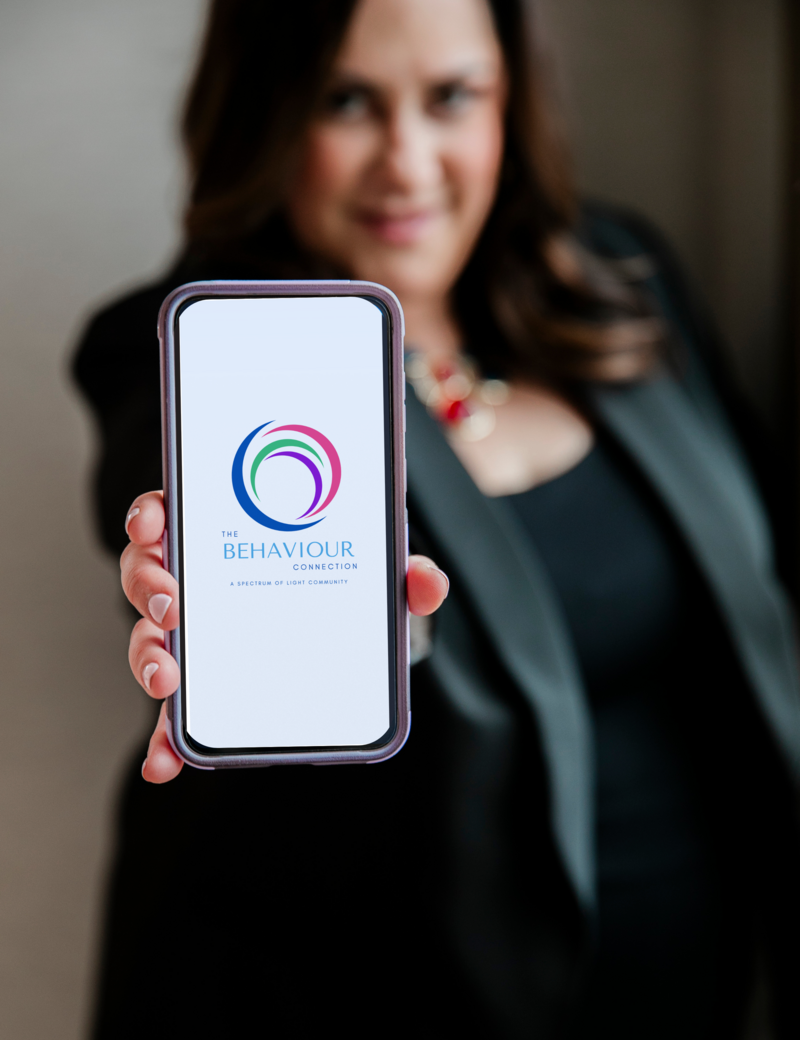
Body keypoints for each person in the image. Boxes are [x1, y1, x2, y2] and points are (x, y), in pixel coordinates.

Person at [73, 0, 800, 1036]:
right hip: (353, 997)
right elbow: (163, 501)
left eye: (451, 96)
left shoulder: (616, 275)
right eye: (346, 102)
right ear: (267, 115)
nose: (406, 164)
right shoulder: (194, 351)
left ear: (512, 100)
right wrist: (200, 591)